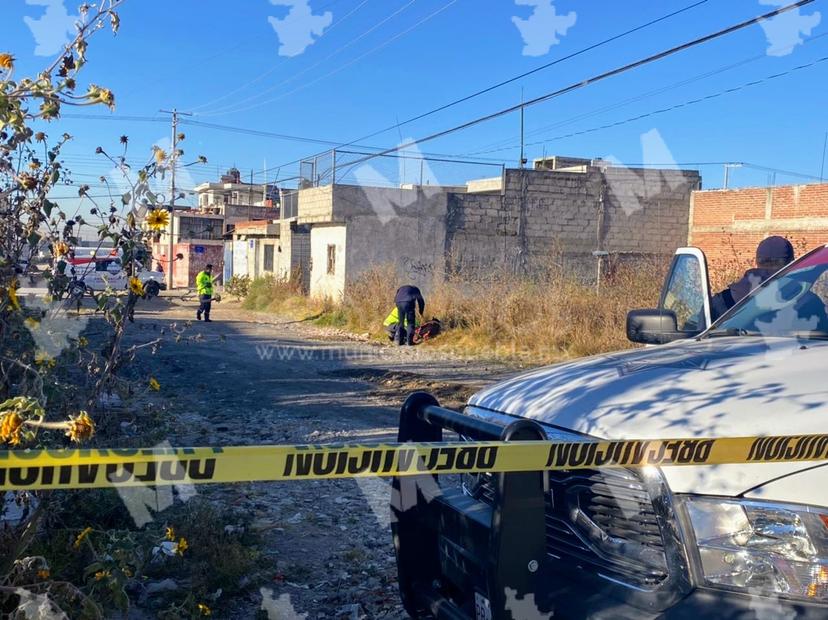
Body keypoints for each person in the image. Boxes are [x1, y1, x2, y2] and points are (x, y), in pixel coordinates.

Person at [710, 236, 794, 321]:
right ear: (792, 264)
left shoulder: (722, 300)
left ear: (757, 262)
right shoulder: (801, 296)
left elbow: (701, 332)